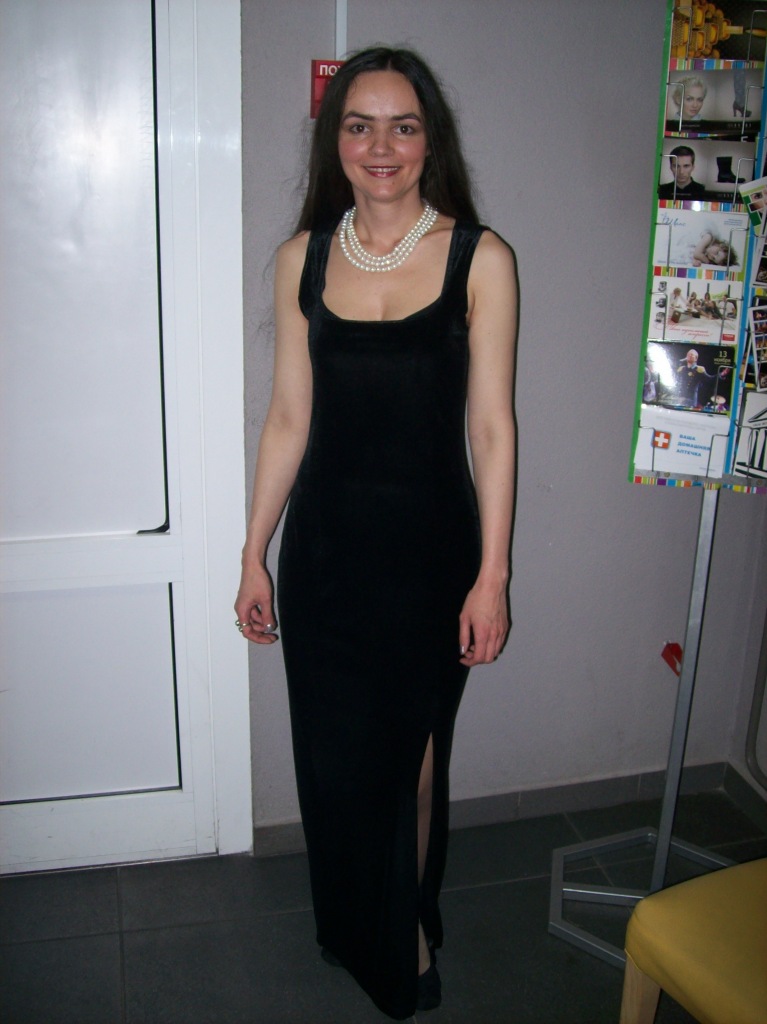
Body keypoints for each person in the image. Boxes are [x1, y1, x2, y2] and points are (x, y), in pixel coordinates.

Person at [234, 47, 517, 1021]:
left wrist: (491, 575)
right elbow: (287, 418)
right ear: (335, 140)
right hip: (324, 558)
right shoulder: (301, 259)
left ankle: (405, 926)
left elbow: (491, 428)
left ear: (430, 141)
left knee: (413, 763)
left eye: (403, 125)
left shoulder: (480, 258)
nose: (380, 145)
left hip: (431, 560)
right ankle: (354, 922)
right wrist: (252, 552)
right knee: (336, 763)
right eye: (359, 125)